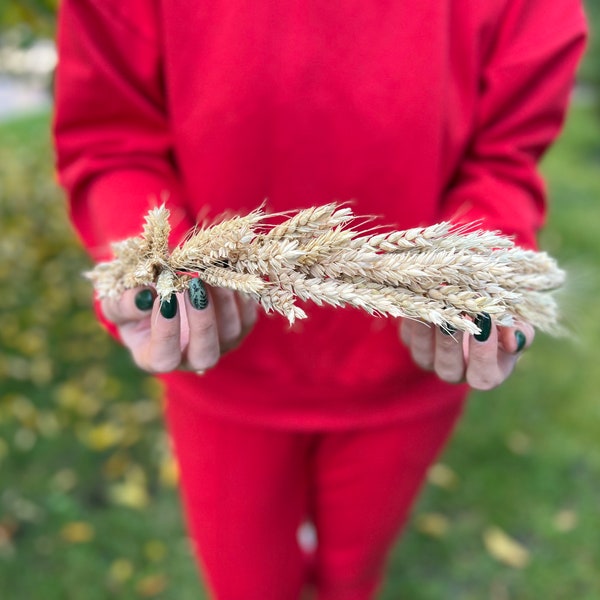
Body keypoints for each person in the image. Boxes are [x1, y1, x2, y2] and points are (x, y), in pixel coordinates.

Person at [53, 1, 587, 598]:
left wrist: (480, 270)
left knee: (353, 577)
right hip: (222, 360)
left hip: (409, 364)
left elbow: (504, 154)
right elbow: (110, 134)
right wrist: (157, 271)